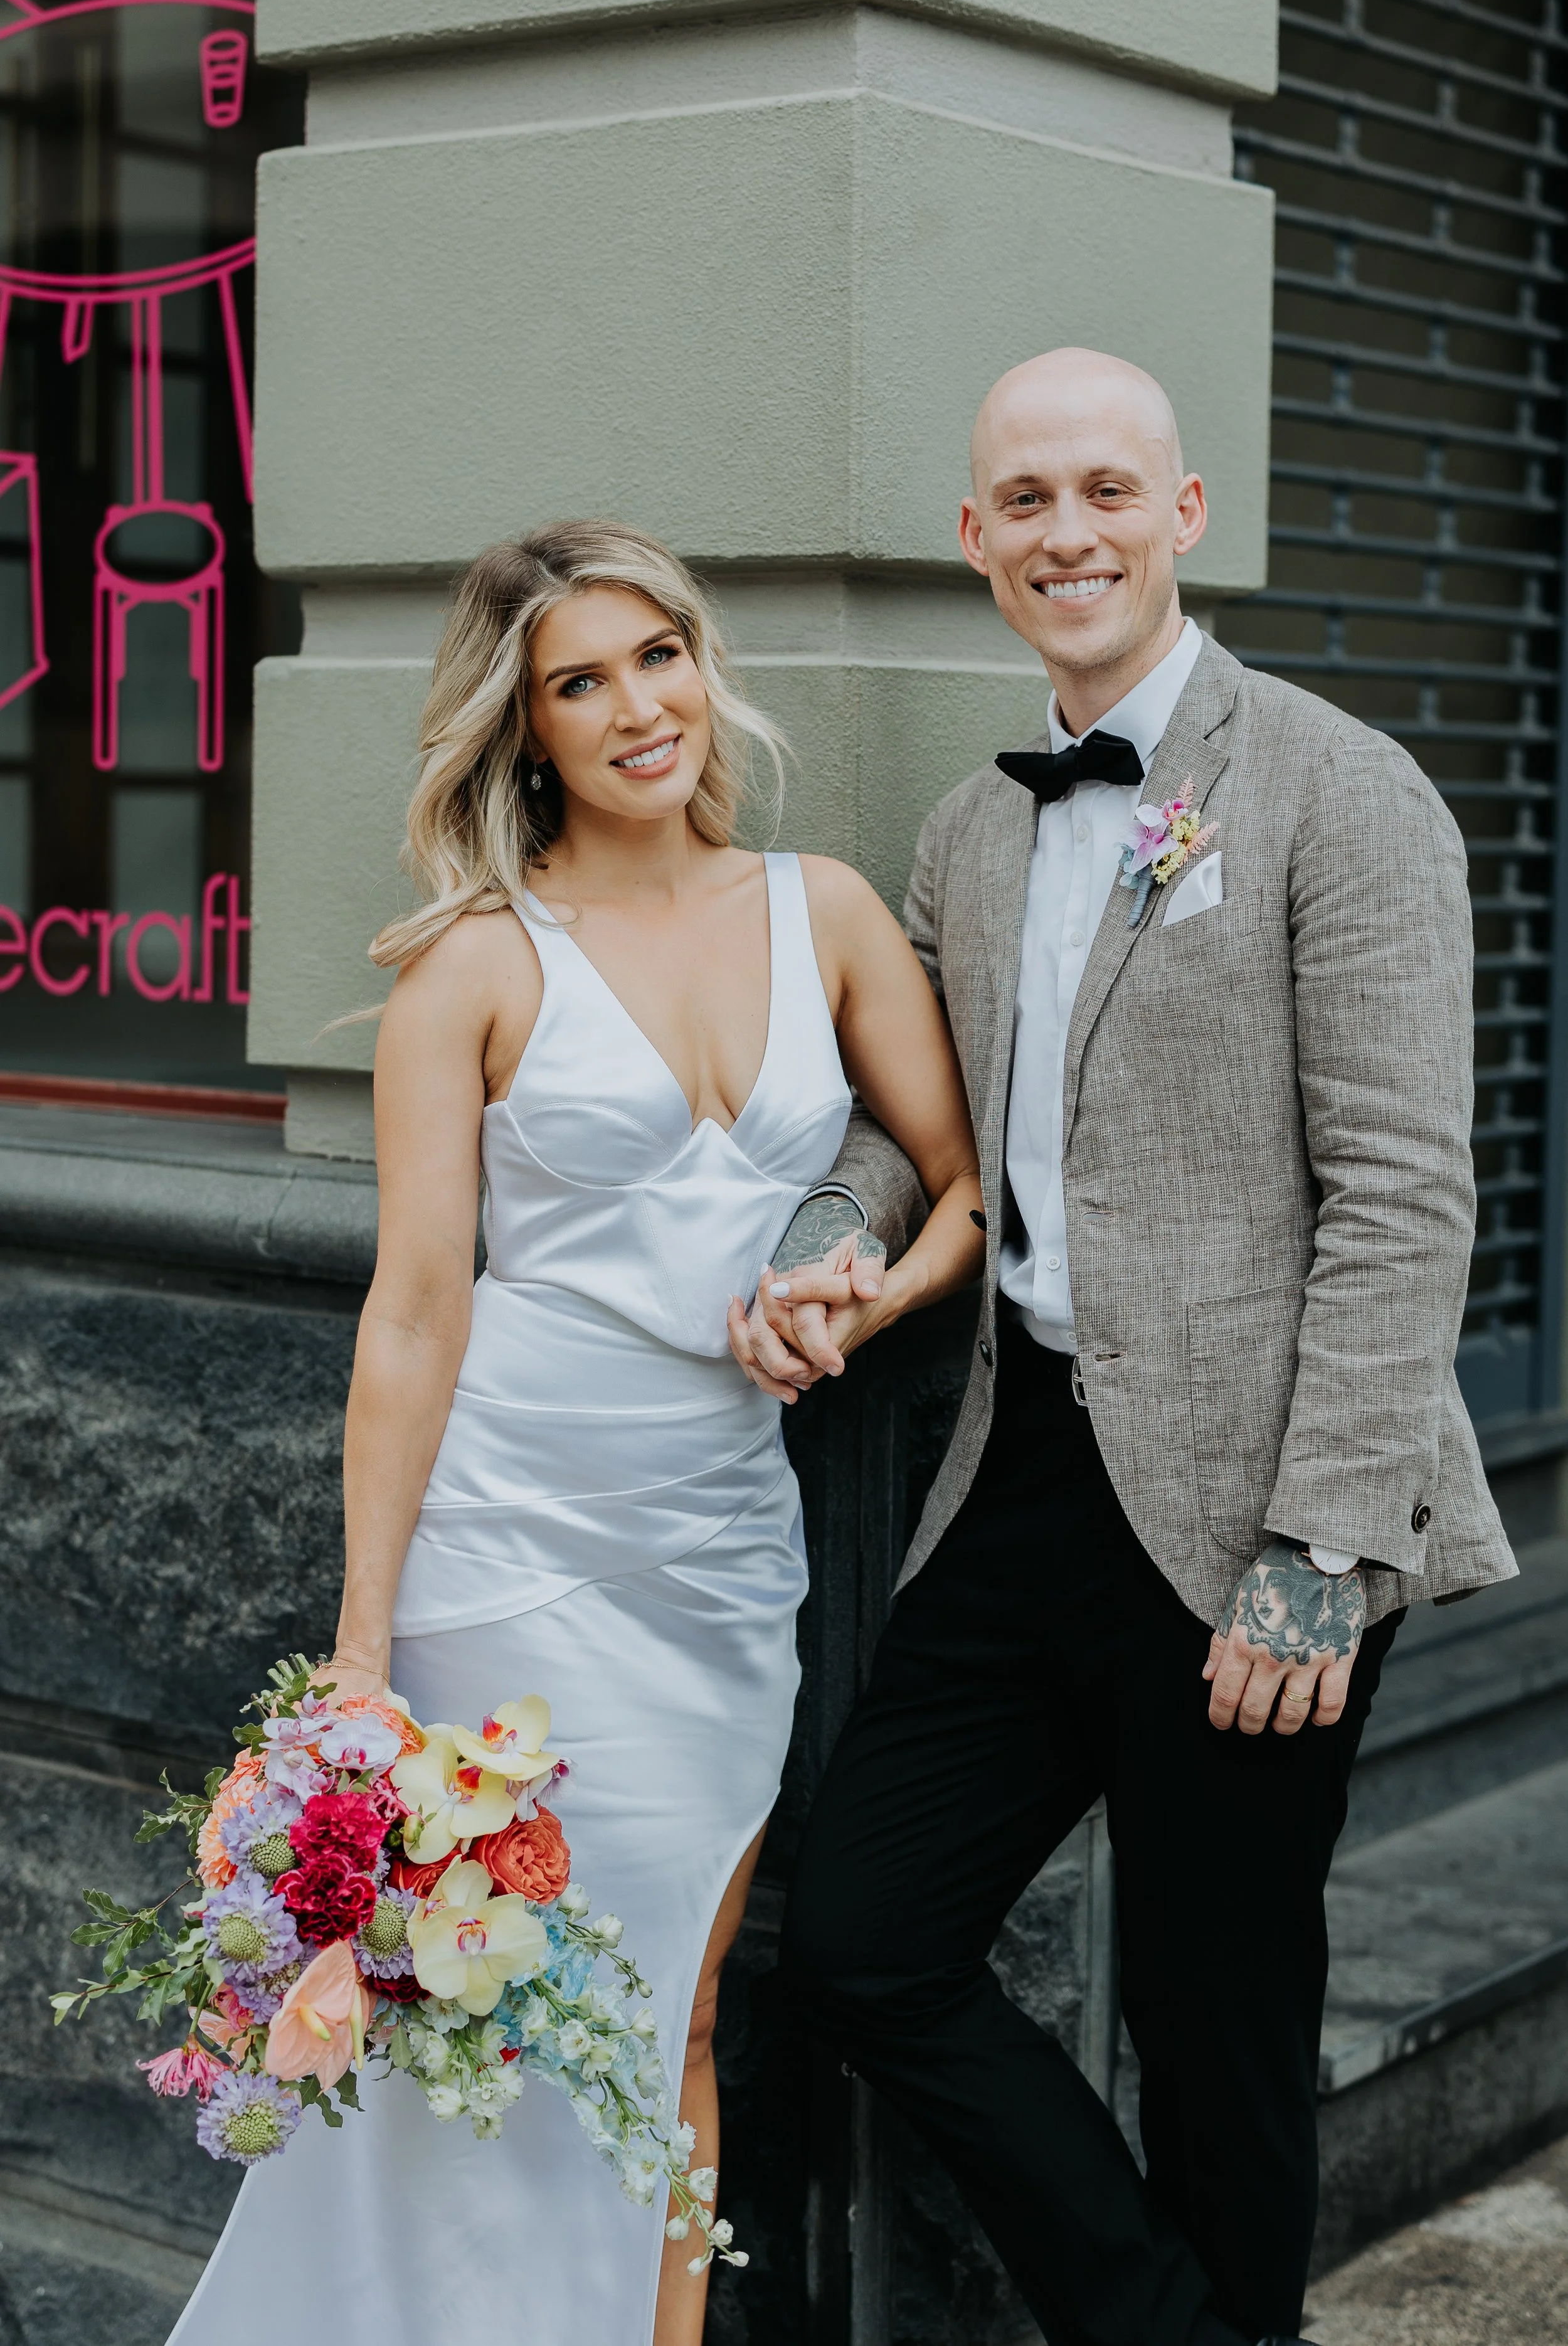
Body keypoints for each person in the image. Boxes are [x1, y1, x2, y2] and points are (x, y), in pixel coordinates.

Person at [731, 348, 1518, 2346]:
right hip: (1027, 1457)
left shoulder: (1344, 792)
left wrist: (1315, 1551)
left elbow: (1409, 1199)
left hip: (1268, 1487)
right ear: (973, 538)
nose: (1063, 531)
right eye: (1023, 498)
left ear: (1180, 515)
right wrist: (832, 1253)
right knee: (861, 1935)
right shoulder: (965, 836)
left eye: (1104, 490)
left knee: (1214, 2002)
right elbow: (896, 1136)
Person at [168, 520, 983, 2346]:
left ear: (704, 666)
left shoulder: (824, 907)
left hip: (716, 1542)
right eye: (580, 682)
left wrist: (862, 1292)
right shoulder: (471, 963)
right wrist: (364, 1647)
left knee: (673, 2012)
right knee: (490, 2016)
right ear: (526, 729)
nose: (637, 708)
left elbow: (964, 1190)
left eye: (659, 658)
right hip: (504, 1543)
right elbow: (414, 1308)